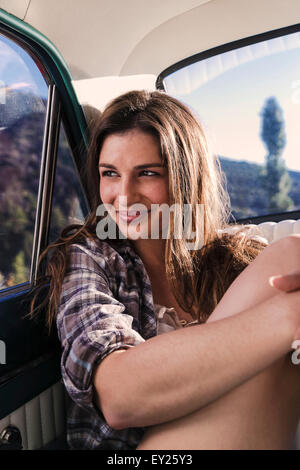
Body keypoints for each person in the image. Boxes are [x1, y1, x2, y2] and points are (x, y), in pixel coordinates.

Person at [30, 90, 300, 450]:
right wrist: (288, 317)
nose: (123, 195)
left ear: (185, 178)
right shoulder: (90, 257)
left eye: (147, 173)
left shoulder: (236, 260)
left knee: (289, 260)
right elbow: (120, 397)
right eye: (109, 173)